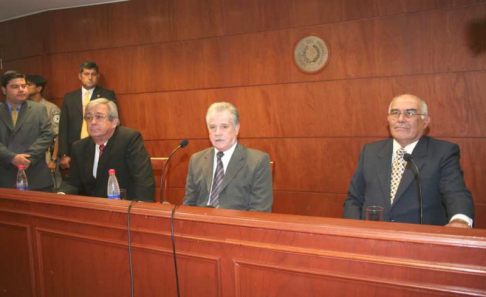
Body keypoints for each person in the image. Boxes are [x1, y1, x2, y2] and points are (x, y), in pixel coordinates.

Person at [343, 94, 474, 227]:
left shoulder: (443, 152)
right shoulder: (370, 151)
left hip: (419, 241)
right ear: (388, 119)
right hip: (373, 239)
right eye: (395, 113)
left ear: (425, 122)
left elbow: (455, 192)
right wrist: (356, 230)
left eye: (409, 113)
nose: (401, 119)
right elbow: (354, 199)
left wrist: (460, 220)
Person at [57, 99, 155, 201]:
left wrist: (139, 211)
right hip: (90, 210)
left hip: (123, 208)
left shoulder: (129, 140)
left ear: (114, 122)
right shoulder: (79, 146)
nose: (92, 122)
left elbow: (144, 182)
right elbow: (72, 182)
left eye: (99, 117)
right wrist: (60, 194)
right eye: (89, 117)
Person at [183, 102, 273, 212]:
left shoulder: (257, 161)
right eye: (212, 127)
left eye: (224, 127)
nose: (217, 133)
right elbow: (189, 205)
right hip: (200, 225)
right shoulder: (196, 160)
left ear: (236, 129)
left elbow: (260, 210)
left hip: (236, 226)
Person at [0, 71, 54, 191]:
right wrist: (12, 157)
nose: (21, 90)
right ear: (4, 90)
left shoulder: (38, 109)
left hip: (36, 176)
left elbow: (47, 136)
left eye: (23, 86)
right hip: (4, 177)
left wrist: (27, 159)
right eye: (15, 87)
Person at [58, 61, 117, 170]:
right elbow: (63, 127)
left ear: (98, 77)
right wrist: (64, 154)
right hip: (75, 149)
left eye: (93, 74)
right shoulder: (69, 97)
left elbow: (114, 122)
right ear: (80, 76)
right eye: (86, 74)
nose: (90, 77)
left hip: (100, 147)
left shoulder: (107, 94)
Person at [26, 74, 62, 188]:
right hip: (29, 157)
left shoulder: (51, 108)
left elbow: (57, 136)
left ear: (39, 88)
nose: (25, 87)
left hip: (47, 157)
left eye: (28, 84)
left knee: (52, 190)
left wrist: (54, 160)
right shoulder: (24, 108)